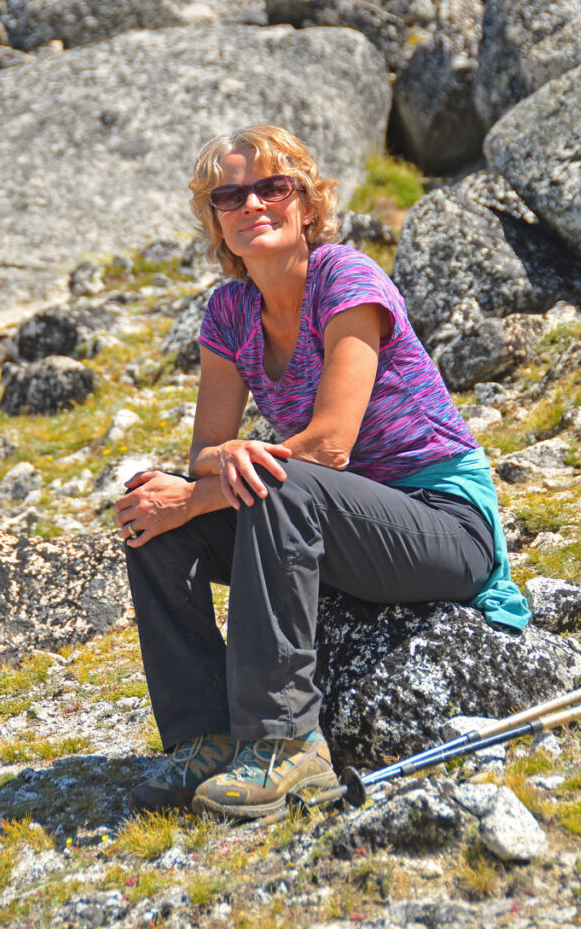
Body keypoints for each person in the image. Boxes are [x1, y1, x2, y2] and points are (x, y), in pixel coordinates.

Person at [114, 124, 529, 822]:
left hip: (441, 525)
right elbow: (203, 455)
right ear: (217, 221)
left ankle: (287, 745)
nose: (252, 204)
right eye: (230, 195)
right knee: (149, 510)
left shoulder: (347, 278)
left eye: (272, 186)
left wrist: (209, 487)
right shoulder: (229, 312)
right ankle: (206, 737)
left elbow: (331, 445)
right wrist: (195, 483)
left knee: (272, 482)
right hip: (329, 524)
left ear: (305, 203)